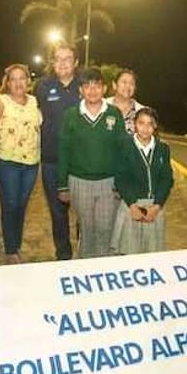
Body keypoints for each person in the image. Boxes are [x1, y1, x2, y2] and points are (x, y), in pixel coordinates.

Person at [57, 67, 127, 258]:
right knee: (86, 231)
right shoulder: (71, 115)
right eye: (87, 86)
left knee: (106, 229)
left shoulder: (114, 114)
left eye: (96, 85)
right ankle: (86, 266)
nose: (92, 90)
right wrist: (62, 185)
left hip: (109, 183)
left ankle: (103, 268)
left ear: (104, 89)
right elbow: (63, 150)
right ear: (81, 90)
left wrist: (121, 182)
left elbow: (122, 151)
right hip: (79, 182)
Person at [0, 63, 41, 263]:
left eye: (22, 78)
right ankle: (11, 250)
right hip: (7, 162)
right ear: (7, 83)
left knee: (21, 205)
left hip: (31, 163)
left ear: (28, 81)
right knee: (10, 204)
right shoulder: (1, 101)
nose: (18, 83)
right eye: (13, 79)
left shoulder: (34, 101)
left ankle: (15, 244)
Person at [34, 41, 81, 260]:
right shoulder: (43, 86)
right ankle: (63, 255)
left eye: (67, 59)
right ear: (52, 62)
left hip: (81, 161)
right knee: (58, 211)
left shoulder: (85, 85)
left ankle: (85, 250)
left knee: (83, 212)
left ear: (76, 62)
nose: (62, 63)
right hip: (51, 160)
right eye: (58, 59)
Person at [111, 107, 174, 254]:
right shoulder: (124, 146)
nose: (145, 128)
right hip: (131, 205)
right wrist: (132, 205)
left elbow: (167, 179)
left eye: (150, 124)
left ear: (155, 126)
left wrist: (157, 206)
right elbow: (121, 178)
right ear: (134, 124)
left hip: (154, 207)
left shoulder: (163, 148)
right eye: (141, 123)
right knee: (130, 252)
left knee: (152, 253)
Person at [108, 69, 145, 134]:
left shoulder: (143, 112)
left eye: (132, 84)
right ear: (114, 85)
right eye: (124, 82)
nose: (128, 86)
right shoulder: (101, 106)